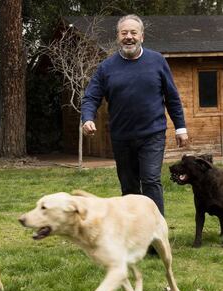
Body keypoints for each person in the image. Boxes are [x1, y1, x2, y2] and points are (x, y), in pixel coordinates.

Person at [81, 14, 189, 216]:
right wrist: (87, 118)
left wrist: (181, 128)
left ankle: (157, 235)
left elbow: (172, 97)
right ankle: (134, 232)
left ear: (142, 36)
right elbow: (91, 97)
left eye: (133, 32)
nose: (128, 37)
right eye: (124, 33)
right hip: (122, 137)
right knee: (129, 187)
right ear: (118, 37)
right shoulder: (106, 67)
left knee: (150, 180)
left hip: (152, 134)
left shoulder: (157, 61)